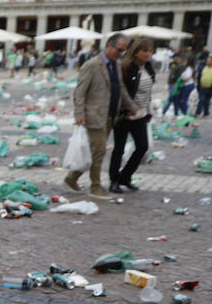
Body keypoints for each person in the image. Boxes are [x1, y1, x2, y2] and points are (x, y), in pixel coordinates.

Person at [65, 32, 136, 200]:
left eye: (124, 50)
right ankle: (95, 187)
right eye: (119, 50)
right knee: (99, 151)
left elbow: (120, 88)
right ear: (109, 46)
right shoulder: (92, 65)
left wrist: (131, 106)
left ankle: (71, 178)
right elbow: (79, 92)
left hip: (110, 115)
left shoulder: (116, 64)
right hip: (94, 115)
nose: (121, 53)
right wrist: (79, 114)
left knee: (93, 151)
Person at [109, 39, 155, 194]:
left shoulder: (148, 68)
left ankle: (125, 176)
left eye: (150, 51)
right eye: (145, 51)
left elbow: (147, 93)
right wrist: (126, 108)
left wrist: (148, 111)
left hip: (141, 114)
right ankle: (114, 180)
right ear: (136, 52)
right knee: (119, 148)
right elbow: (120, 91)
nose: (148, 54)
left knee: (142, 147)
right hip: (125, 114)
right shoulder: (126, 68)